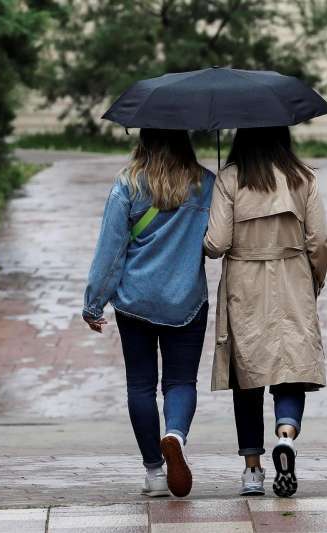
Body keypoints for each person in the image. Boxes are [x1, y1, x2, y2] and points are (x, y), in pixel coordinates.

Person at [83, 128, 215, 498]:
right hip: (186, 300)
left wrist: (94, 303)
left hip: (135, 301)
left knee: (141, 385)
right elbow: (217, 242)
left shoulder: (128, 185)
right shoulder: (205, 183)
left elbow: (111, 251)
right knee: (180, 382)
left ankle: (155, 473)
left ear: (144, 139)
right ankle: (175, 435)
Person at [203, 126, 327, 497]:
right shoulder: (303, 178)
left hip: (245, 285)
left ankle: (252, 472)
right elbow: (319, 241)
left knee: (247, 377)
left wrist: (206, 240)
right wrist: (315, 279)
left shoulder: (229, 178)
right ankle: (286, 435)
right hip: (293, 279)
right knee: (291, 368)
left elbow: (217, 243)